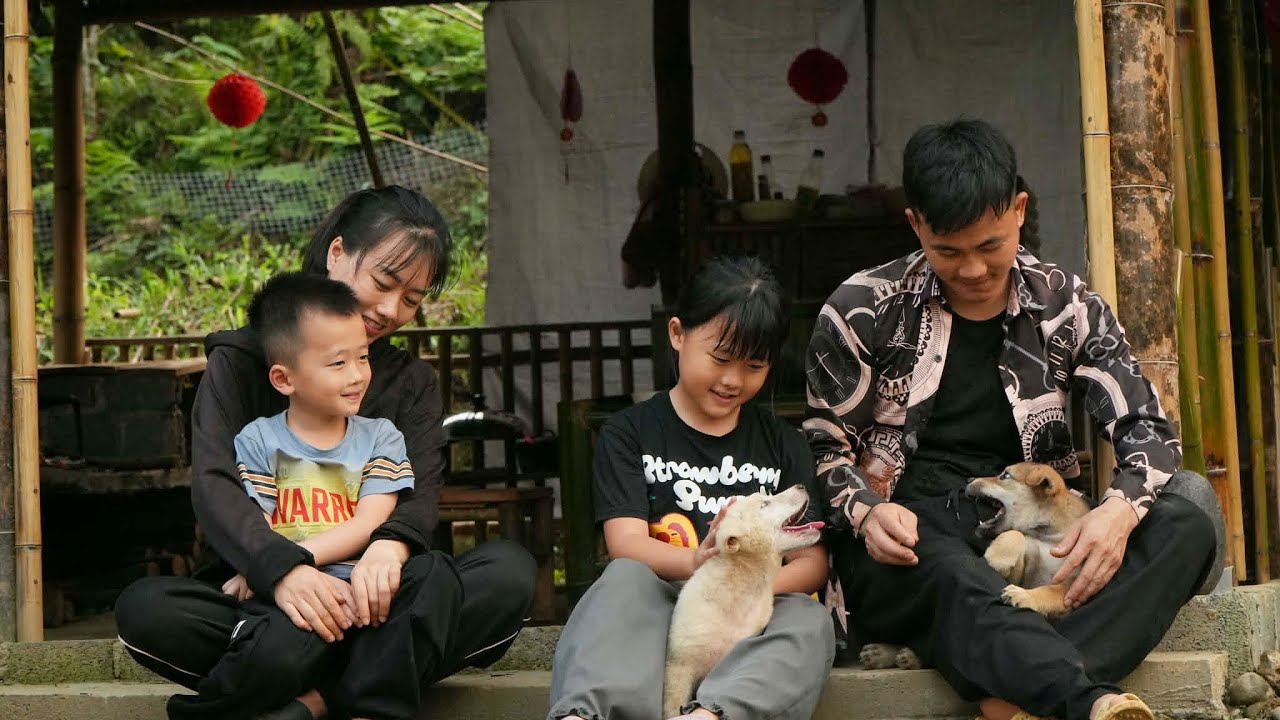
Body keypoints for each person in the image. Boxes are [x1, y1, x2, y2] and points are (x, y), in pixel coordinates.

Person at [803, 119, 1219, 720]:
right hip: (913, 539)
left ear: (1019, 210)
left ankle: (1012, 688)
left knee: (1186, 523)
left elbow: (1146, 428)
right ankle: (1085, 698)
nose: (971, 269)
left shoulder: (1065, 304)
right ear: (915, 223)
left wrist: (1117, 514)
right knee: (957, 578)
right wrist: (866, 513)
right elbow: (823, 449)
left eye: (989, 246)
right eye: (948, 251)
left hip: (1039, 540)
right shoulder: (860, 309)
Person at [115, 186, 537, 720]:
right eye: (384, 282)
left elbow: (419, 492)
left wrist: (390, 548)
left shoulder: (410, 382)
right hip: (268, 598)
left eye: (411, 299)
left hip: (376, 596)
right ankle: (366, 685)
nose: (390, 309)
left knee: (507, 574)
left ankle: (309, 700)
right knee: (147, 610)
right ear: (337, 254)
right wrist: (281, 570)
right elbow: (215, 482)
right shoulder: (244, 359)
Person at [548, 255, 835, 720]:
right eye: (720, 359)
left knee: (807, 619)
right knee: (622, 581)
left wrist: (745, 593)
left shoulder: (783, 443)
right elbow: (625, 544)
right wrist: (698, 567)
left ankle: (711, 714)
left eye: (754, 366)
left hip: (752, 616)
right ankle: (586, 714)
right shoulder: (631, 432)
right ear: (678, 334)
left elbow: (812, 562)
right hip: (663, 605)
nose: (732, 380)